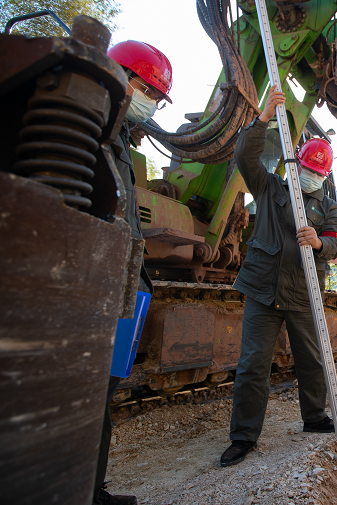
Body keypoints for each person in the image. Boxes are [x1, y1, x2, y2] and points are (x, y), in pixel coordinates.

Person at [220, 90, 337, 468]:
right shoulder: (270, 187)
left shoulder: (327, 204)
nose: (311, 178)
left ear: (325, 175)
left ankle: (314, 417)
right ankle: (243, 436)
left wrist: (320, 242)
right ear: (296, 164)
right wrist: (262, 120)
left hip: (304, 292)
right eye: (307, 171)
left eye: (318, 174)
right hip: (263, 289)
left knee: (312, 358)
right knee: (253, 364)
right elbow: (245, 156)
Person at [93, 41, 173, 504]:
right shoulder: (91, 121)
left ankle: (91, 488)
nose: (154, 105)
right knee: (85, 395)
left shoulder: (119, 133)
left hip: (119, 281)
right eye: (152, 93)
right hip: (97, 287)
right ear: (123, 76)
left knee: (98, 394)